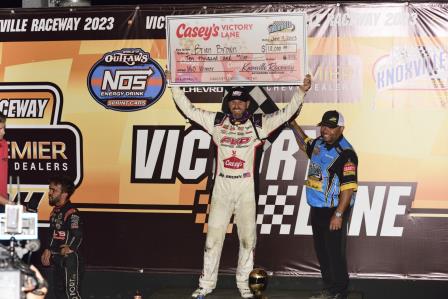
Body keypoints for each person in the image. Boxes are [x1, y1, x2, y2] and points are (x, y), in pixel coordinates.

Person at [168, 73, 311, 298]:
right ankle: (206, 285)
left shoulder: (259, 124)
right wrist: (173, 85)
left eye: (241, 101)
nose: (236, 105)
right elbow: (189, 109)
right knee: (213, 239)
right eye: (233, 101)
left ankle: (245, 286)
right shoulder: (216, 122)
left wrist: (300, 92)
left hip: (246, 189)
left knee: (247, 239)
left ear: (247, 104)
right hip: (222, 188)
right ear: (228, 104)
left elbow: (286, 113)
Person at [290, 110, 358, 299]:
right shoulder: (319, 143)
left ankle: (340, 291)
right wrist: (293, 125)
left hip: (334, 210)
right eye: (323, 125)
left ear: (341, 129)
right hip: (317, 208)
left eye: (331, 126)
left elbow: (348, 188)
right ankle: (329, 289)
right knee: (322, 251)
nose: (325, 129)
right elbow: (304, 143)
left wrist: (338, 214)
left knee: (335, 253)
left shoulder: (346, 153)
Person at [40, 176, 83, 299]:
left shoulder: (71, 212)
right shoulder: (54, 212)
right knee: (59, 294)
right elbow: (52, 234)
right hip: (57, 259)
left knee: (71, 295)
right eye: (50, 189)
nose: (50, 193)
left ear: (64, 194)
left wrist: (71, 247)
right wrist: (48, 248)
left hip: (70, 261)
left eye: (54, 190)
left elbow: (78, 234)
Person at [0, 113, 9, 212]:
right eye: (0, 129)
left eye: (4, 128)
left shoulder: (4, 144)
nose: (3, 132)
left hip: (3, 203)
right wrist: (11, 204)